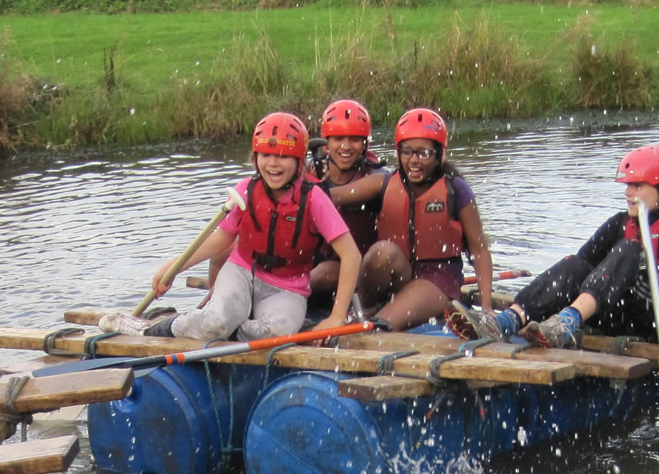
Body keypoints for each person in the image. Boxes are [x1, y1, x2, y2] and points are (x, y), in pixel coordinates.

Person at [448, 143, 659, 377]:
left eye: (637, 186)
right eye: (627, 185)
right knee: (574, 264)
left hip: (656, 324)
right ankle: (507, 321)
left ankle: (567, 323)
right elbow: (578, 272)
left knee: (630, 250)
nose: (628, 192)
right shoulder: (620, 223)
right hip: (619, 316)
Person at [142, 113, 361, 343]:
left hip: (287, 288)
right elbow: (221, 239)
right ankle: (159, 327)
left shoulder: (315, 198)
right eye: (266, 155)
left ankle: (229, 332)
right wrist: (174, 267)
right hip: (240, 273)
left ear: (299, 161)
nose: (273, 163)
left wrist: (337, 316)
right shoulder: (245, 190)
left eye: (283, 156)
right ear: (255, 158)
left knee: (276, 333)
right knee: (216, 322)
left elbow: (351, 255)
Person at [326, 108, 496, 333]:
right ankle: (364, 310)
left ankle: (378, 320)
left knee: (380, 326)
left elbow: (479, 250)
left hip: (437, 277)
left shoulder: (457, 190)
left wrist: (486, 307)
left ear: (439, 154)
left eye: (424, 153)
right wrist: (300, 178)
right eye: (407, 152)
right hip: (401, 271)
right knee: (381, 251)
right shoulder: (384, 183)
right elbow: (326, 197)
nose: (414, 161)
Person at [307, 99, 389, 312]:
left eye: (354, 139)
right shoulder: (309, 171)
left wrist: (315, 192)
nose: (345, 146)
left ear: (365, 144)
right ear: (325, 144)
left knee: (322, 274)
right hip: (316, 261)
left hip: (359, 269)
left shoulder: (377, 176)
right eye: (338, 139)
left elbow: (334, 197)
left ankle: (289, 294)